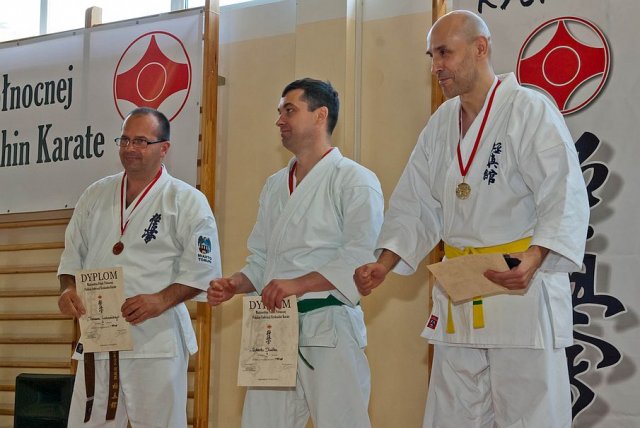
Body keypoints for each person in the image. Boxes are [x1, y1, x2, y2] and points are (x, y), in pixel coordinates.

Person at [354, 10, 589, 428]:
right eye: (431, 56)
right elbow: (416, 202)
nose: (436, 66)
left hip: (518, 288)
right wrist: (384, 263)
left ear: (481, 48)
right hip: (460, 291)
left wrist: (535, 257)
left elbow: (563, 191)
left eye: (445, 52)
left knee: (530, 416)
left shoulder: (528, 109)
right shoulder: (440, 124)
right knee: (451, 416)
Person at [208, 78, 383, 428]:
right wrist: (235, 284)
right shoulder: (275, 185)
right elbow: (262, 259)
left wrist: (297, 284)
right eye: (280, 112)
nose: (280, 120)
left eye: (289, 110)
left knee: (341, 422)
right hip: (273, 328)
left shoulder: (354, 180)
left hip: (329, 325)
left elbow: (359, 258)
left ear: (320, 115)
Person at [57, 107, 220, 427]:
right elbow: (72, 256)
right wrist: (67, 289)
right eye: (125, 140)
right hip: (100, 335)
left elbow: (202, 269)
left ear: (164, 148)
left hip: (155, 340)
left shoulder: (186, 200)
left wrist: (160, 300)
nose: (130, 148)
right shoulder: (95, 194)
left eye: (141, 141)